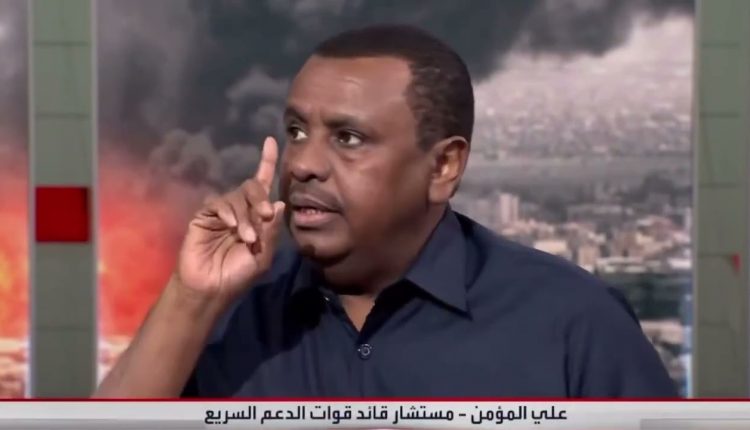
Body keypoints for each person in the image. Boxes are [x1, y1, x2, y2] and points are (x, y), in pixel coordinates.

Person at [95, 24, 677, 398]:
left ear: (443, 166)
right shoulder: (228, 313)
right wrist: (190, 298)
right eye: (296, 131)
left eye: (348, 138)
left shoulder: (571, 322)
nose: (304, 164)